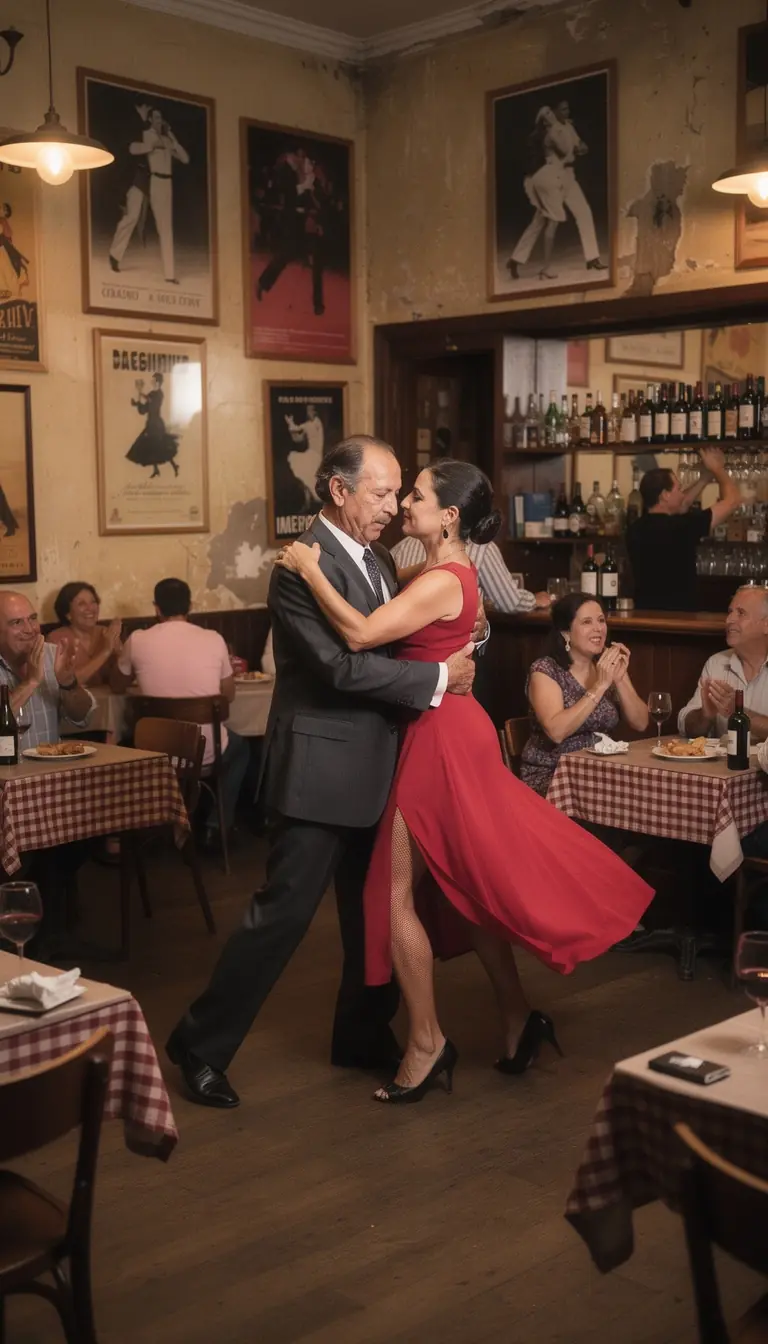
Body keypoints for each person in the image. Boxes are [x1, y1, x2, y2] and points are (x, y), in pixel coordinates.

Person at [276, 460, 653, 1104]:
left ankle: (426, 1043)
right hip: (449, 729)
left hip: (440, 738)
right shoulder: (439, 572)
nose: (402, 505)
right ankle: (516, 1018)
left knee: (391, 894)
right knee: (463, 885)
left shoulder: (446, 575)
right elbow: (406, 614)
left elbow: (364, 632)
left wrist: (310, 568)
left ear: (448, 515)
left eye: (415, 496)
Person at [164, 436, 478, 1109]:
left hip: (379, 765)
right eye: (381, 493)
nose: (393, 509)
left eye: (400, 493)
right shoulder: (296, 569)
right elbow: (344, 669)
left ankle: (360, 1034)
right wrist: (438, 676)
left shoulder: (378, 562)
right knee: (281, 916)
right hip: (319, 771)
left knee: (373, 914)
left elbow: (397, 633)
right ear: (339, 491)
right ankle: (199, 1043)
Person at [111, 579, 249, 845]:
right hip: (205, 750)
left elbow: (117, 685)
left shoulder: (138, 640)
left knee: (125, 742)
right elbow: (228, 694)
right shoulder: (213, 638)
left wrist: (117, 650)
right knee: (241, 749)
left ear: (156, 608)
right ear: (191, 606)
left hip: (153, 751)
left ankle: (152, 827)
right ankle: (215, 826)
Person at [521, 592, 649, 797]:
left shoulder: (604, 667)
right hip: (553, 776)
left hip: (599, 773)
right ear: (566, 633)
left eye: (601, 620)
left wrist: (620, 678)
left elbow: (641, 722)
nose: (598, 628)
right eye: (587, 622)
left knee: (645, 793)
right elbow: (556, 731)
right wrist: (599, 686)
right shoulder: (545, 670)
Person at [626, 448, 740, 611]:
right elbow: (733, 501)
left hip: (645, 613)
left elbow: (683, 503)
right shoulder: (681, 527)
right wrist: (718, 469)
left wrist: (705, 477)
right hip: (679, 616)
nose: (682, 494)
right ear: (665, 495)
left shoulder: (635, 529)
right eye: (678, 489)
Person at [507, 99, 606, 281]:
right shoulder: (551, 132)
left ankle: (592, 258)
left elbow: (582, 146)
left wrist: (579, 147)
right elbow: (568, 151)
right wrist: (576, 149)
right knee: (540, 222)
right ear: (553, 112)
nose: (567, 111)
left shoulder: (568, 126)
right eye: (562, 109)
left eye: (568, 108)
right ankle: (516, 259)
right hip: (553, 178)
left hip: (568, 176)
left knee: (584, 212)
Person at [109, 105, 189, 284]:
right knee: (131, 218)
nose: (160, 121)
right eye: (155, 118)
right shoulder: (144, 133)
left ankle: (170, 275)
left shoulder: (165, 138)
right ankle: (114, 255)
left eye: (161, 118)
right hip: (141, 179)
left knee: (164, 227)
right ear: (149, 119)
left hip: (158, 182)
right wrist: (156, 142)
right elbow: (133, 148)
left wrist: (171, 136)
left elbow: (184, 158)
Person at [679, 586, 768, 743]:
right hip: (723, 766)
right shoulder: (717, 663)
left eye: (741, 613)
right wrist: (705, 716)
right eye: (730, 612)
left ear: (766, 624)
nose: (729, 620)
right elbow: (687, 727)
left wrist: (738, 711)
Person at [391, 534, 550, 614]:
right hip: (453, 657)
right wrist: (533, 600)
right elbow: (510, 602)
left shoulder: (401, 547)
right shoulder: (481, 548)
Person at [48, 583, 122, 688]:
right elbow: (67, 684)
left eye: (93, 602)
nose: (90, 608)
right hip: (72, 703)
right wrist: (105, 651)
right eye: (81, 604)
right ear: (68, 613)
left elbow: (121, 680)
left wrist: (120, 652)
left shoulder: (106, 633)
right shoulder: (56, 639)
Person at [126, 373, 179, 479]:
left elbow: (153, 403)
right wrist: (137, 402)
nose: (152, 382)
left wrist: (142, 395)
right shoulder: (151, 394)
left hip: (157, 424)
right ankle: (157, 469)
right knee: (152, 447)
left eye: (153, 380)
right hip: (150, 423)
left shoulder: (159, 394)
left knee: (159, 446)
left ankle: (173, 465)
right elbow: (144, 410)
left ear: (158, 382)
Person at [285, 403, 324, 509]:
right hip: (311, 454)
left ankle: (314, 501)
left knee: (311, 477)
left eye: (311, 411)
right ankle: (308, 501)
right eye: (308, 411)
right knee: (306, 475)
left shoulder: (317, 423)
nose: (309, 413)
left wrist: (294, 427)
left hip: (315, 455)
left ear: (315, 412)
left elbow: (306, 429)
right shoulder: (308, 425)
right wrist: (290, 423)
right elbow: (297, 437)